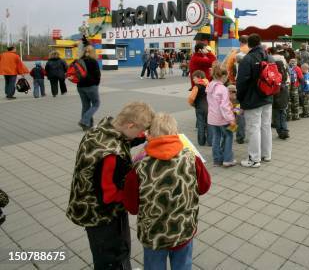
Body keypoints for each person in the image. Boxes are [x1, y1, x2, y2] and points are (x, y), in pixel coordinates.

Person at [66, 102, 155, 270]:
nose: (142, 133)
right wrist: (138, 195)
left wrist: (145, 137)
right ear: (130, 125)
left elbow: (125, 140)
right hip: (103, 216)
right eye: (141, 129)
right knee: (113, 254)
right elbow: (110, 196)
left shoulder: (102, 130)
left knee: (106, 252)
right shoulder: (111, 155)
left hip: (89, 205)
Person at [123, 113, 211, 269]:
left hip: (153, 235)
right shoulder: (191, 158)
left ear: (149, 136)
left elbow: (132, 207)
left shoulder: (138, 167)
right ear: (176, 134)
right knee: (183, 265)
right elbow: (204, 187)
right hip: (183, 229)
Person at [236, 34, 273, 168]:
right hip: (268, 97)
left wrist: (240, 99)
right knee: (266, 126)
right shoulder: (269, 56)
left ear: (249, 44)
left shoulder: (248, 59)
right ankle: (266, 154)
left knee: (254, 128)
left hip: (253, 100)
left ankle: (254, 159)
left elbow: (241, 82)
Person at [207, 63, 237, 167]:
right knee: (229, 135)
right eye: (227, 76)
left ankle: (217, 160)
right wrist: (231, 119)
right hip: (223, 118)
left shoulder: (210, 86)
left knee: (216, 137)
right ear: (223, 76)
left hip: (212, 118)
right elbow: (224, 106)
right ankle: (228, 159)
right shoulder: (223, 89)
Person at [77, 45, 101, 131]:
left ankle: (88, 125)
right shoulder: (93, 61)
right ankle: (84, 121)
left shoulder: (79, 61)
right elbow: (97, 75)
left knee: (85, 105)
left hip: (80, 86)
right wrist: (96, 84)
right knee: (96, 104)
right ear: (92, 52)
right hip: (91, 86)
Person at [188, 70, 210, 146]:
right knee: (209, 125)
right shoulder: (208, 85)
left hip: (200, 108)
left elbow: (191, 99)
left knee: (200, 125)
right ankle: (210, 141)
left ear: (199, 77)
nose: (193, 80)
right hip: (209, 108)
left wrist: (193, 104)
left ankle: (201, 141)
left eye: (194, 78)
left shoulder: (196, 87)